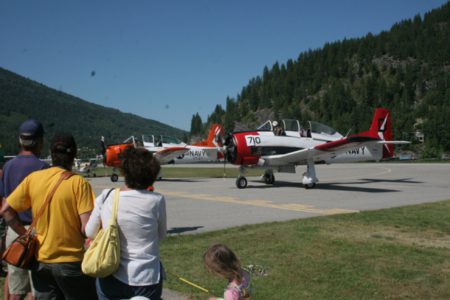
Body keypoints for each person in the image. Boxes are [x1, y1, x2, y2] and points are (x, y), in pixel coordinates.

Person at [1, 132, 97, 300]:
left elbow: (6, 210)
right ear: (74, 154)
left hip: (41, 261)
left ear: (51, 154)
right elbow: (86, 228)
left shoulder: (34, 178)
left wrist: (25, 234)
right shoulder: (79, 183)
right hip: (71, 261)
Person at [85, 147, 166, 300]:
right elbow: (161, 235)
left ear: (124, 172)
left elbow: (89, 232)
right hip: (146, 276)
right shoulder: (157, 200)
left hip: (111, 272)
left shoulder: (107, 196)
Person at [0, 119, 49, 299]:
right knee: (38, 289)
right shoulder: (43, 167)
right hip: (37, 233)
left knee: (16, 289)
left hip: (14, 231)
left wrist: (15, 231)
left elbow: (5, 203)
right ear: (39, 141)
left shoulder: (8, 166)